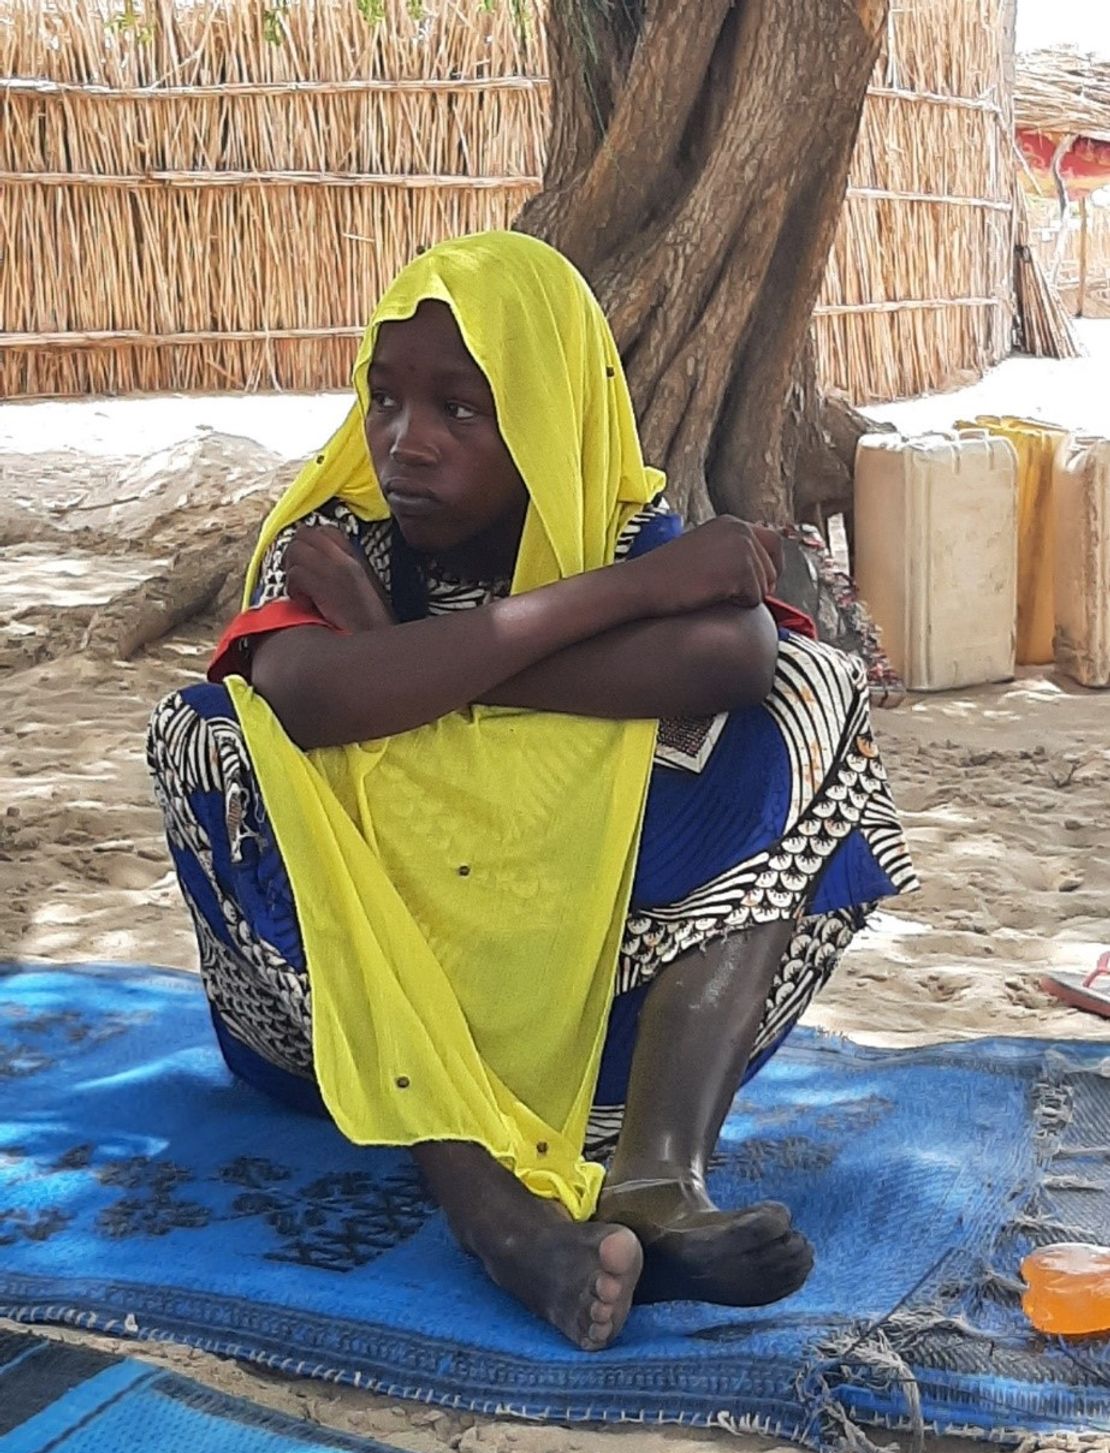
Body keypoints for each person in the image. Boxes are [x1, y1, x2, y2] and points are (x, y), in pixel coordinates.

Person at [147, 231, 915, 1354]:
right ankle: (490, 1212)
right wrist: (630, 597)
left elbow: (737, 657)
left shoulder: (609, 527)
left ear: (551, 415)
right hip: (334, 1050)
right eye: (386, 399)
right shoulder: (332, 537)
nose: (408, 443)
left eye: (464, 410)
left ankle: (658, 1173)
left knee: (808, 690)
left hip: (582, 1054)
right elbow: (307, 694)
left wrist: (412, 662)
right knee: (213, 735)